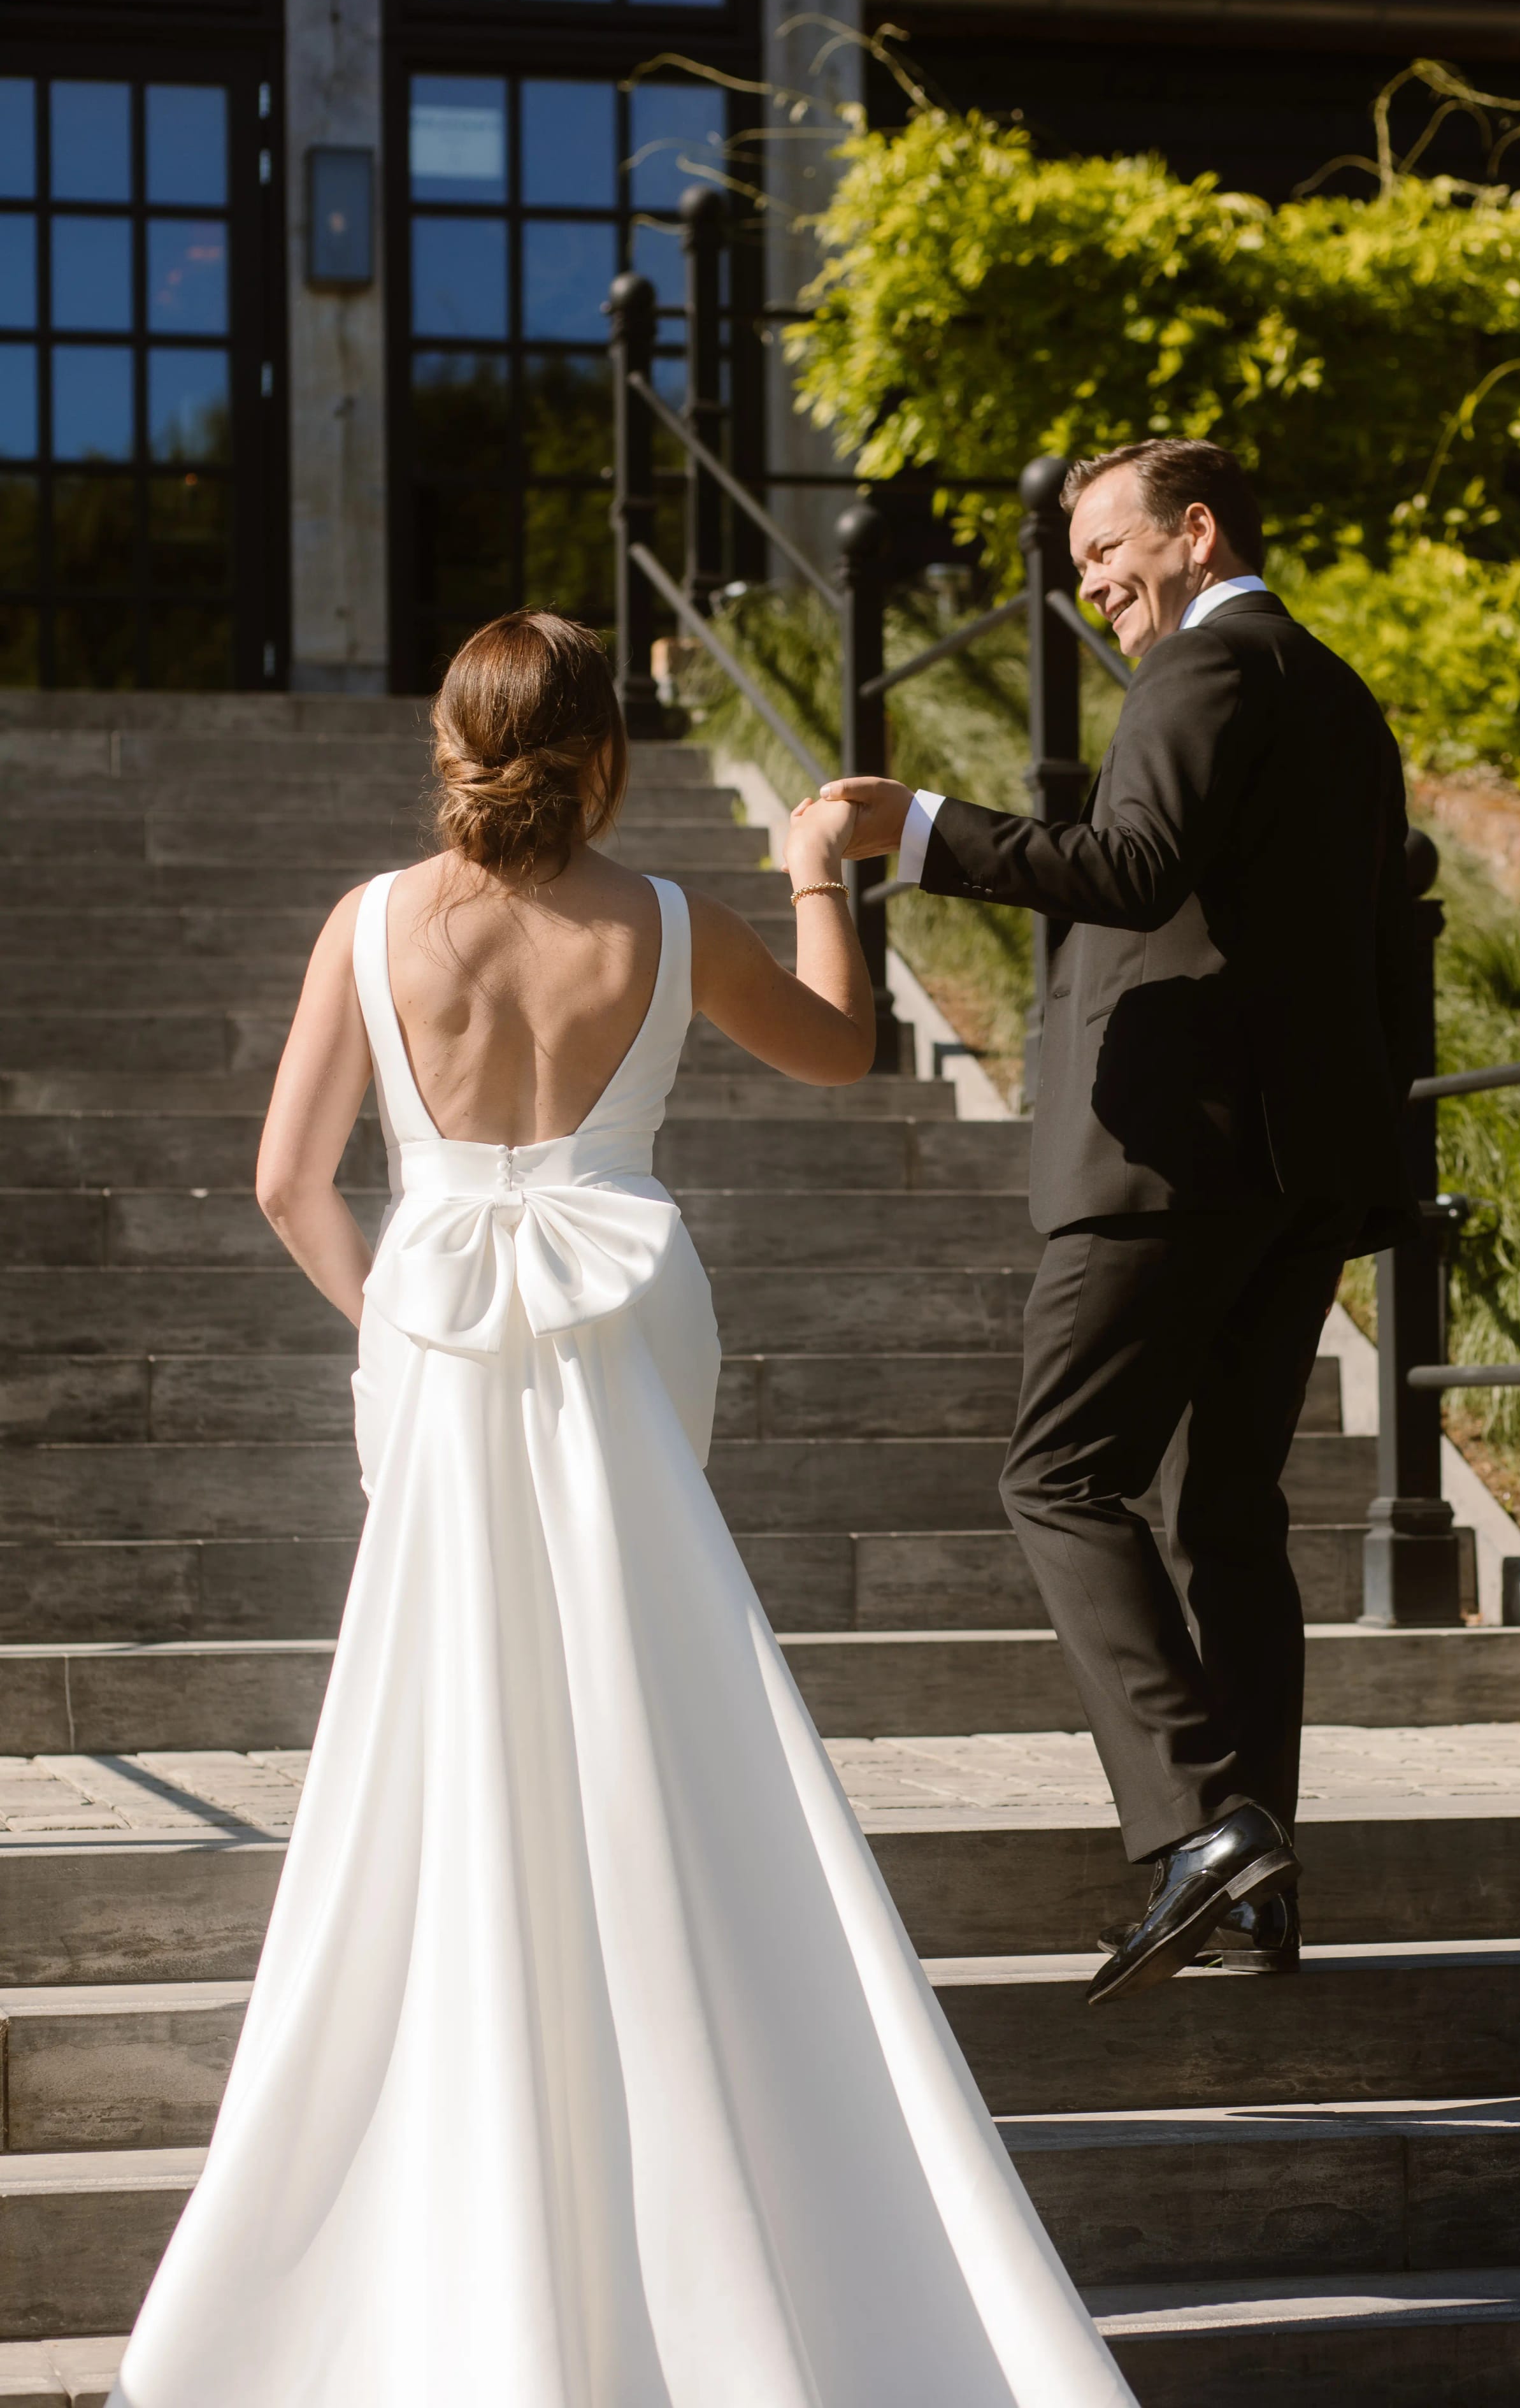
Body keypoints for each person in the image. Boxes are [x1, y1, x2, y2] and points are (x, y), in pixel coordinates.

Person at [108, 610, 1135, 2407]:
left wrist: (407, 1320)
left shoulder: (365, 923)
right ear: (605, 755)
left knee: (439, 1737)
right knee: (654, 1708)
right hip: (628, 1334)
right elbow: (843, 1049)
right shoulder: (670, 923)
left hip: (437, 1355)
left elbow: (288, 1184)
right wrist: (814, 873)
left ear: (451, 744)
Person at [824, 439, 1414, 2006]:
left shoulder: (1200, 667)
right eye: (1078, 559)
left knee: (1058, 1474)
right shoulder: (1340, 697)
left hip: (1173, 1166)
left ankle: (1200, 1823)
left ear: (1194, 531)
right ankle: (1258, 1882)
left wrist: (918, 827)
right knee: (1226, 1513)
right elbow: (1383, 938)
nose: (1086, 580)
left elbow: (1132, 868)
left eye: (1103, 547)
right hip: (1299, 1170)